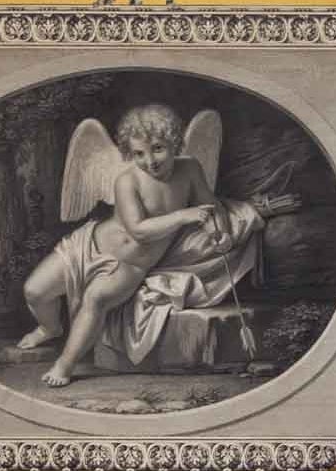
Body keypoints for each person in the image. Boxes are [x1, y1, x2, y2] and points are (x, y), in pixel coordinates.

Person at [15, 103, 227, 388]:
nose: (149, 161)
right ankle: (49, 327)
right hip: (89, 245)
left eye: (158, 149)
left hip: (131, 264)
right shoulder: (127, 180)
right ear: (130, 153)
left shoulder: (190, 168)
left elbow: (210, 206)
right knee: (34, 290)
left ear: (175, 143)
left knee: (96, 299)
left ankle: (65, 364)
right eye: (139, 153)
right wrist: (181, 216)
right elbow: (138, 230)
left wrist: (219, 228)